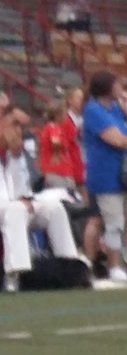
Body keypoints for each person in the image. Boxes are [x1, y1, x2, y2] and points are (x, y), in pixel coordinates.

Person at [82, 68, 127, 284]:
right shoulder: (93, 110)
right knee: (114, 222)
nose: (122, 90)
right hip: (106, 174)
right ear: (107, 87)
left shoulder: (116, 109)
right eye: (118, 86)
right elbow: (115, 139)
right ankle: (114, 266)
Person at [1, 110, 88, 290]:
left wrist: (27, 198)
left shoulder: (15, 154)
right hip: (7, 207)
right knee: (15, 210)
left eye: (18, 128)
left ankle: (69, 267)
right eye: (12, 126)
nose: (16, 132)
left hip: (19, 204)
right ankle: (16, 275)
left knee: (54, 208)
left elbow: (21, 185)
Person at [39, 97, 86, 188]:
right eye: (64, 114)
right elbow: (55, 141)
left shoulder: (54, 128)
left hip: (63, 171)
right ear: (58, 116)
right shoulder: (53, 127)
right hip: (57, 171)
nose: (66, 116)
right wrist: (57, 153)